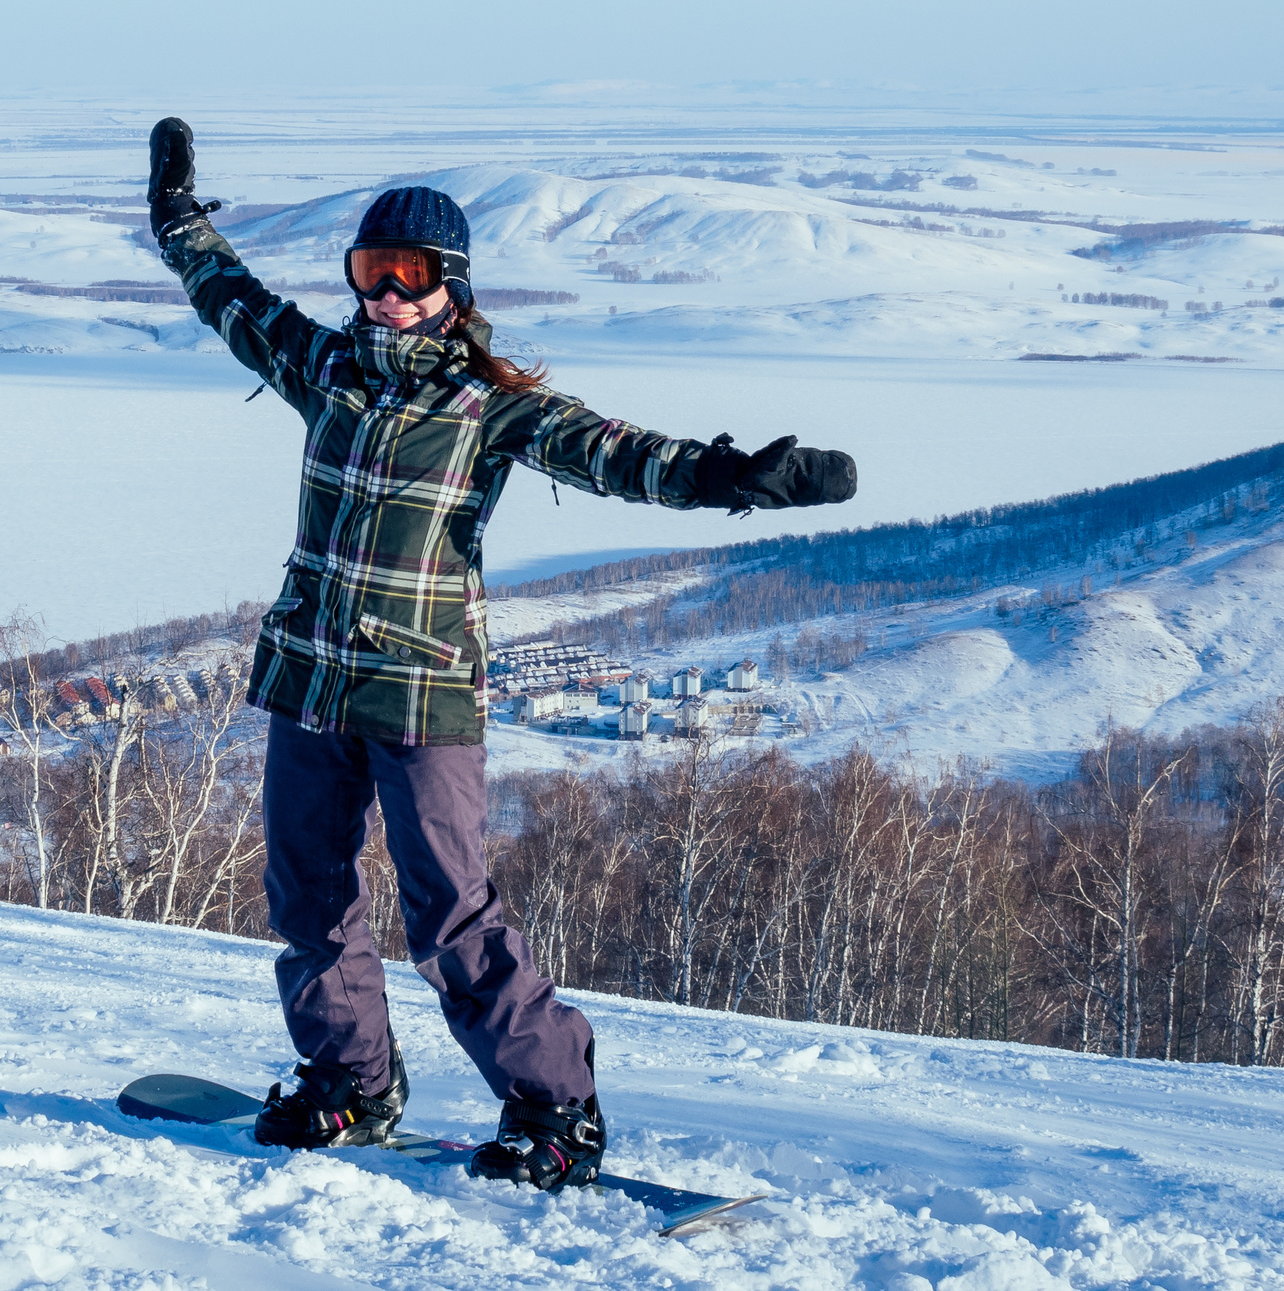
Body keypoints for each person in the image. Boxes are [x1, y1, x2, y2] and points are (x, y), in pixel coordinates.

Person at [143, 116, 857, 1190]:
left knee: (449, 914)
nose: (385, 293)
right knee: (307, 898)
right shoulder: (324, 368)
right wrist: (177, 217)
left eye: (409, 273)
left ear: (451, 286)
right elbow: (225, 295)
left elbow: (611, 452)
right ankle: (347, 1079)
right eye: (368, 270)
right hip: (309, 677)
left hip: (422, 690)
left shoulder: (487, 404)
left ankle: (556, 1105)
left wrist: (727, 479)